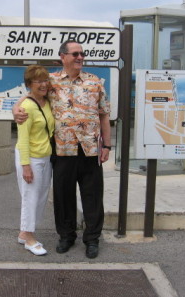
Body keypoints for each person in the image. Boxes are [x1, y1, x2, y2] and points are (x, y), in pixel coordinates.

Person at [13, 40, 111, 259]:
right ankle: (66, 236)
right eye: (75, 54)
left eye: (82, 54)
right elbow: (32, 95)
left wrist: (107, 144)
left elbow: (104, 114)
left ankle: (92, 239)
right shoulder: (52, 81)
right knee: (63, 196)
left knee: (92, 196)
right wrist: (15, 108)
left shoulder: (95, 82)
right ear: (63, 57)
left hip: (90, 150)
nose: (80, 57)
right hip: (63, 150)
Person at [15, 65, 55, 256]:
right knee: (30, 197)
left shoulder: (47, 101)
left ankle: (24, 232)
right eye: (38, 81)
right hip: (30, 157)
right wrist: (26, 166)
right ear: (29, 84)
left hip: (45, 156)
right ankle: (29, 239)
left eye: (45, 80)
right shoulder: (27, 107)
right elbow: (22, 139)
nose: (43, 84)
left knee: (41, 196)